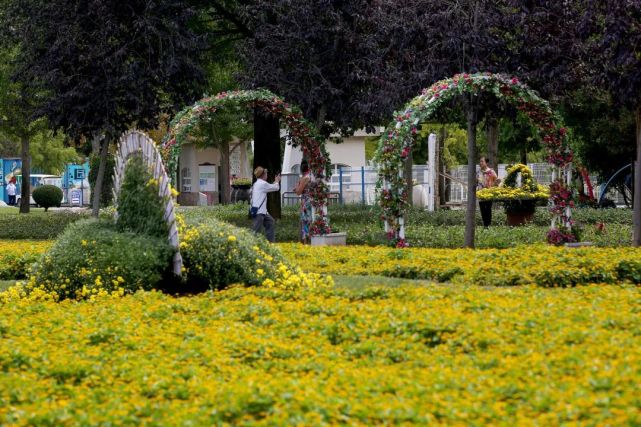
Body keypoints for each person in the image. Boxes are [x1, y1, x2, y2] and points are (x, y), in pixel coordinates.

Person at [251, 166, 281, 242]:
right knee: (255, 232)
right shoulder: (263, 184)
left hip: (260, 211)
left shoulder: (257, 183)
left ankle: (271, 243)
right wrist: (277, 180)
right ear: (263, 175)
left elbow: (271, 187)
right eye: (266, 173)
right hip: (259, 212)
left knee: (270, 221)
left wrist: (275, 182)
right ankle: (251, 246)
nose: (267, 175)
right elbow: (276, 188)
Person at [294, 160, 312, 243]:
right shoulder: (311, 176)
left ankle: (305, 240)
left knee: (305, 221)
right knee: (310, 220)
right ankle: (310, 238)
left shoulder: (305, 178)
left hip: (305, 201)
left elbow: (298, 192)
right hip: (311, 200)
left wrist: (297, 185)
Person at [477, 156, 498, 228]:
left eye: (482, 161)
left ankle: (488, 225)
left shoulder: (491, 171)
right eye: (480, 161)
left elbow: (497, 180)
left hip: (489, 194)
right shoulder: (478, 171)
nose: (480, 163)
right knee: (482, 210)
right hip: (481, 194)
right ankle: (485, 225)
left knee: (488, 209)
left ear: (486, 163)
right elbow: (476, 181)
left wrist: (492, 187)